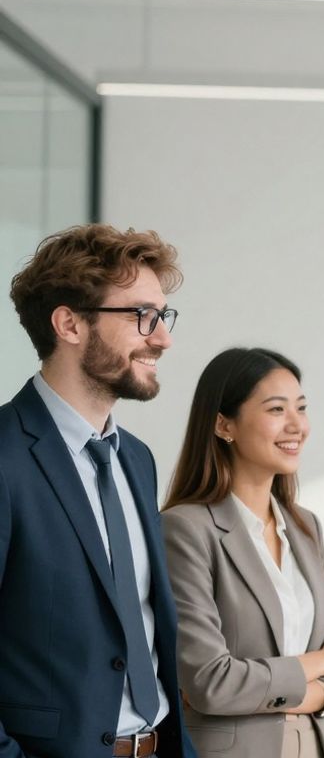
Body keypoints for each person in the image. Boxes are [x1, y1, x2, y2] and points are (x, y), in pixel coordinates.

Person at [0, 224, 195, 757]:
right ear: (69, 323)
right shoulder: (4, 458)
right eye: (141, 316)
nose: (163, 337)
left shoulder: (136, 458)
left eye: (163, 316)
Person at [161, 348, 324, 757]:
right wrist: (319, 664)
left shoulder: (306, 528)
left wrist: (315, 674)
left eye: (301, 408)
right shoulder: (186, 529)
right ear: (223, 424)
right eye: (276, 409)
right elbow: (210, 683)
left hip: (313, 745)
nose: (297, 425)